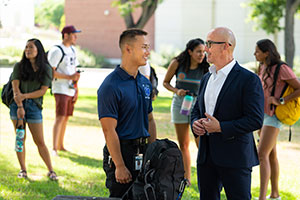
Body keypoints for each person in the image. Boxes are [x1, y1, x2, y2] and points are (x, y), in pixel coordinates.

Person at [191, 27, 264, 200]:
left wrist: (220, 127)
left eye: (209, 43)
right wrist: (195, 122)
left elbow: (255, 120)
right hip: (206, 156)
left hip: (235, 158)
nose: (205, 48)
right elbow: (196, 110)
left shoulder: (249, 80)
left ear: (226, 46)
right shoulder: (206, 78)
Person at [97, 28, 157, 198]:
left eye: (148, 46)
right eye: (144, 47)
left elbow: (150, 119)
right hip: (122, 153)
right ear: (128, 49)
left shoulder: (145, 83)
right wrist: (120, 166)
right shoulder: (110, 86)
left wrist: (152, 154)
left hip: (143, 150)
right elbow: (109, 130)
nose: (148, 51)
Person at [254, 39, 300, 200]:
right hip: (262, 114)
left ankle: (261, 198)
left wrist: (281, 100)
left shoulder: (282, 68)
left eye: (257, 51)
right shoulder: (262, 67)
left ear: (267, 52)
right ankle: (274, 194)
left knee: (261, 154)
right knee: (270, 155)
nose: (255, 54)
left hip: (274, 116)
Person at [9, 38, 57, 180]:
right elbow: (15, 88)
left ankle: (51, 170)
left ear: (38, 50)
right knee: (20, 139)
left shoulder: (46, 69)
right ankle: (23, 170)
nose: (27, 50)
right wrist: (19, 105)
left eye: (31, 47)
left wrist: (25, 97)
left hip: (34, 107)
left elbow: (42, 91)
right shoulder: (19, 66)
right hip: (16, 106)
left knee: (39, 141)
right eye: (26, 47)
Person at [163, 38, 209, 184]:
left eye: (203, 52)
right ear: (190, 52)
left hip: (198, 105)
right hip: (180, 104)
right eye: (198, 52)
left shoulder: (206, 67)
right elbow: (166, 82)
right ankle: (186, 178)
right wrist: (177, 91)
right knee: (183, 144)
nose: (201, 55)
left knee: (200, 142)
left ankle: (206, 175)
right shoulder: (177, 63)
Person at [47, 25, 81, 156]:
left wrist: (76, 86)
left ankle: (61, 145)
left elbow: (74, 70)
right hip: (60, 88)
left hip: (70, 89)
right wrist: (69, 77)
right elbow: (51, 72)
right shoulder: (56, 50)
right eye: (73, 34)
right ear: (66, 35)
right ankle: (54, 148)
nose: (76, 37)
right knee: (60, 117)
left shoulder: (72, 50)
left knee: (66, 117)